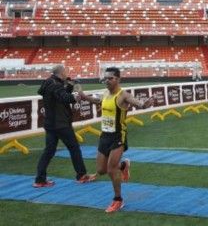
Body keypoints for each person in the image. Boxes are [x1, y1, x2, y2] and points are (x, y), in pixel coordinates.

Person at [81, 67, 153, 213]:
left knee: (110, 169)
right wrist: (84, 96)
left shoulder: (123, 95)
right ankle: (124, 165)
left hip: (118, 136)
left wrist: (145, 104)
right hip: (104, 135)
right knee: (101, 170)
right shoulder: (105, 93)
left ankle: (118, 200)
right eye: (105, 78)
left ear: (118, 79)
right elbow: (97, 101)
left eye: (110, 78)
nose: (107, 81)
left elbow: (137, 103)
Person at [34, 65, 95, 188]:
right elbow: (66, 98)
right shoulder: (56, 85)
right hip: (61, 124)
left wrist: (70, 85)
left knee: (49, 151)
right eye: (65, 72)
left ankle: (40, 180)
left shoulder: (48, 82)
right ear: (61, 73)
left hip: (50, 124)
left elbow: (59, 96)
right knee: (74, 148)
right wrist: (78, 95)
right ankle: (81, 175)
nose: (67, 73)